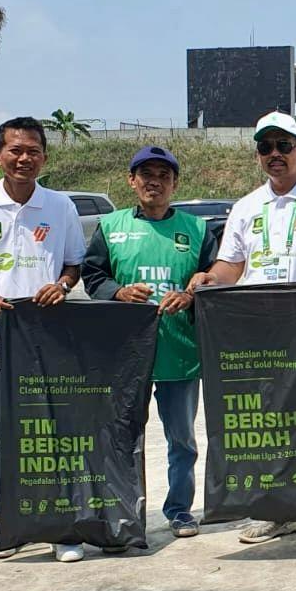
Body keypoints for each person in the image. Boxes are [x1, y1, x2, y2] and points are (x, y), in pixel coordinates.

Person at [189, 111, 296, 558]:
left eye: (283, 146)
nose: (274, 154)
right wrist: (210, 278)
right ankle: (279, 510)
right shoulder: (247, 207)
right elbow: (232, 265)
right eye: (265, 147)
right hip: (260, 331)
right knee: (270, 421)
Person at [0, 116, 88, 563]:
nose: (24, 158)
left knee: (53, 434)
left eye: (33, 151)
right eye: (15, 150)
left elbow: (73, 265)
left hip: (49, 342)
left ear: (45, 157)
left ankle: (61, 524)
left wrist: (61, 286)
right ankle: (6, 522)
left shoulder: (60, 206)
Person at [82, 145, 216, 540]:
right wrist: (118, 292)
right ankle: (126, 511)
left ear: (175, 183)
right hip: (125, 355)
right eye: (146, 174)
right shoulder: (111, 226)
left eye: (163, 175)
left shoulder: (197, 230)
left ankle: (180, 510)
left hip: (180, 352)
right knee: (122, 438)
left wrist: (191, 294)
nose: (154, 181)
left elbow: (213, 278)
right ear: (131, 180)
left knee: (182, 440)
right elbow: (92, 276)